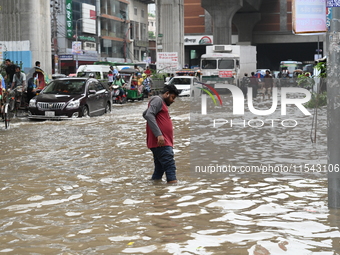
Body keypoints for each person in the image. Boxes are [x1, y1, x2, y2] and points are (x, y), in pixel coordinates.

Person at [142, 84, 179, 183]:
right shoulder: (158, 100)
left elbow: (145, 114)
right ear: (167, 94)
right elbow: (149, 115)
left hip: (160, 142)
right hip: (162, 142)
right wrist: (159, 134)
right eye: (172, 97)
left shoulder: (158, 102)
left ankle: (158, 192)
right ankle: (174, 193)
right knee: (170, 167)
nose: (173, 100)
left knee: (159, 170)